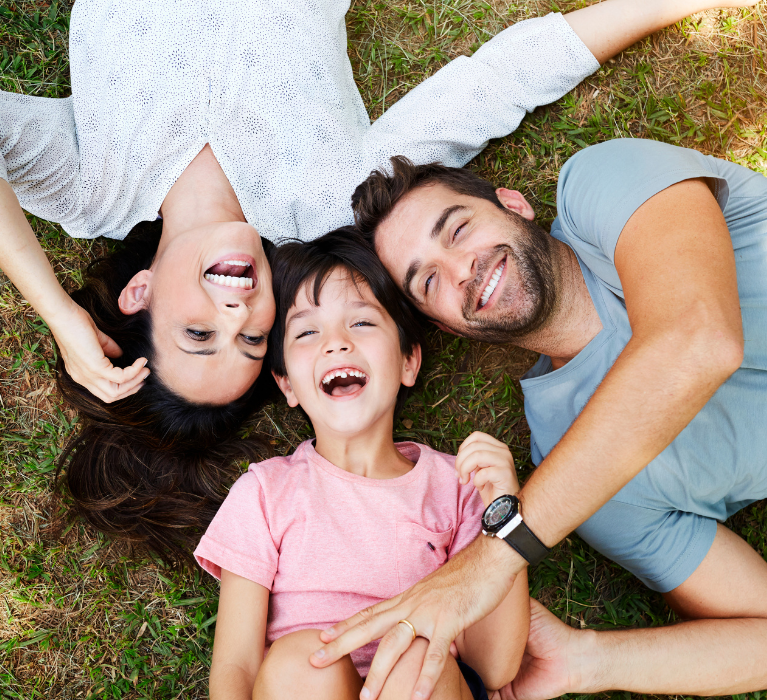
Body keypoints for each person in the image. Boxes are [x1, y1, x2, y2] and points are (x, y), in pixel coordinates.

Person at [0, 0, 760, 559]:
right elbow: (493, 86)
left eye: (200, 328)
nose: (240, 306)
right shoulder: (327, 200)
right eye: (251, 338)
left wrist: (52, 306)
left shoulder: (88, 185)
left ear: (139, 296)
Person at [307, 136, 767, 698]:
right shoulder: (579, 483)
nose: (461, 269)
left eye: (458, 229)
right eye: (428, 281)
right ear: (443, 327)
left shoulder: (603, 185)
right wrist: (584, 662)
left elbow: (700, 338)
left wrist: (488, 564)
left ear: (513, 204)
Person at [193, 228, 529, 699]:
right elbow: (237, 666)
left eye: (362, 323)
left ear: (409, 361)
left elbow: (493, 665)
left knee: (413, 659)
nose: (336, 343)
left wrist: (506, 514)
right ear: (287, 384)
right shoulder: (265, 493)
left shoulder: (461, 486)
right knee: (300, 661)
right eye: (308, 332)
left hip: (424, 687)